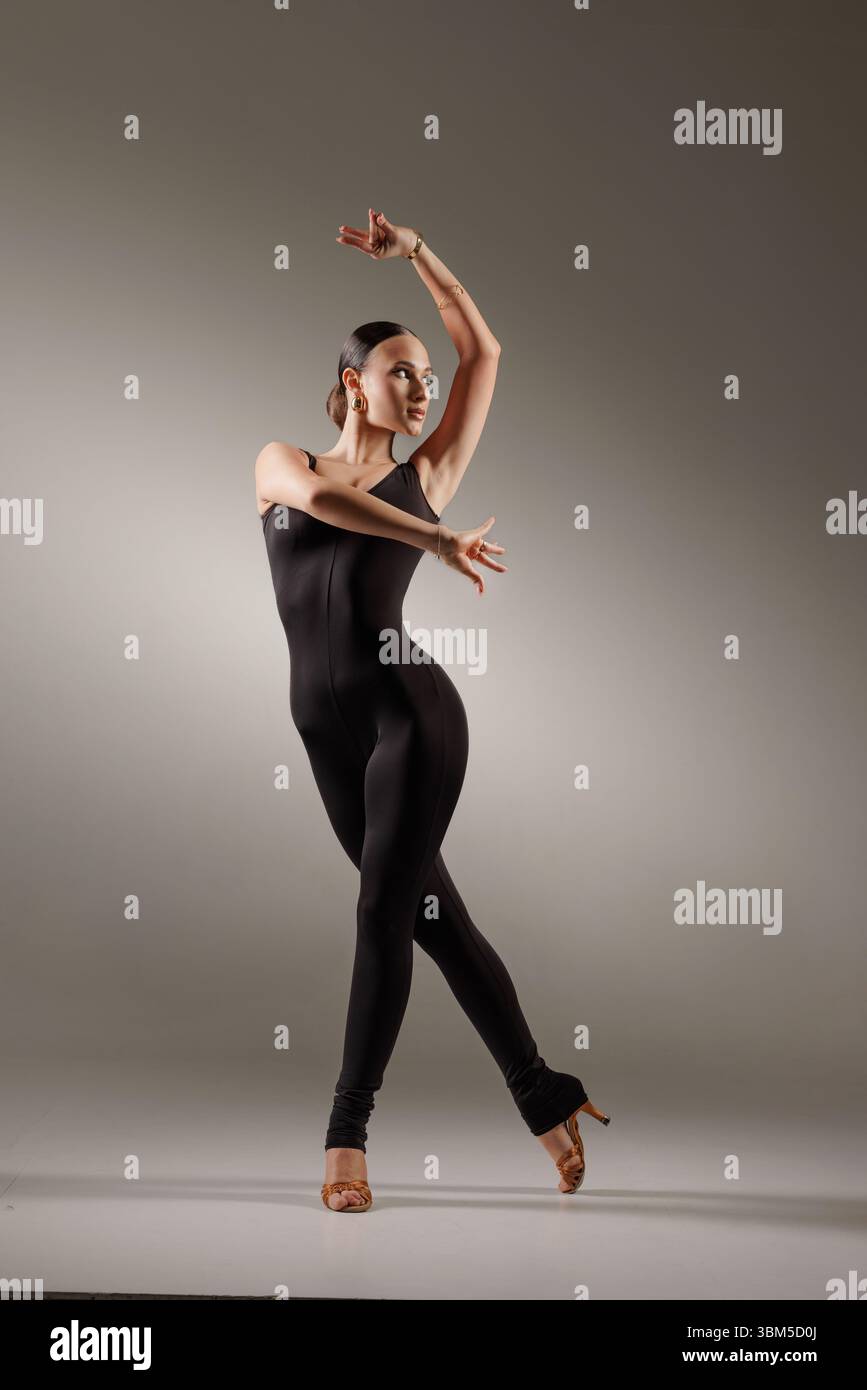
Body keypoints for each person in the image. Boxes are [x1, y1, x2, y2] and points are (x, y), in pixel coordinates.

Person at [256, 210, 610, 1212]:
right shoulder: (283, 461)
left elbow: (483, 351)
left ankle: (345, 1137)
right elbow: (327, 506)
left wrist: (416, 254)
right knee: (434, 921)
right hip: (324, 733)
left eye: (425, 376)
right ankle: (544, 1092)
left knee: (381, 911)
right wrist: (435, 541)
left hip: (413, 716)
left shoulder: (429, 476)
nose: (422, 388)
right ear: (351, 383)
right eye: (401, 372)